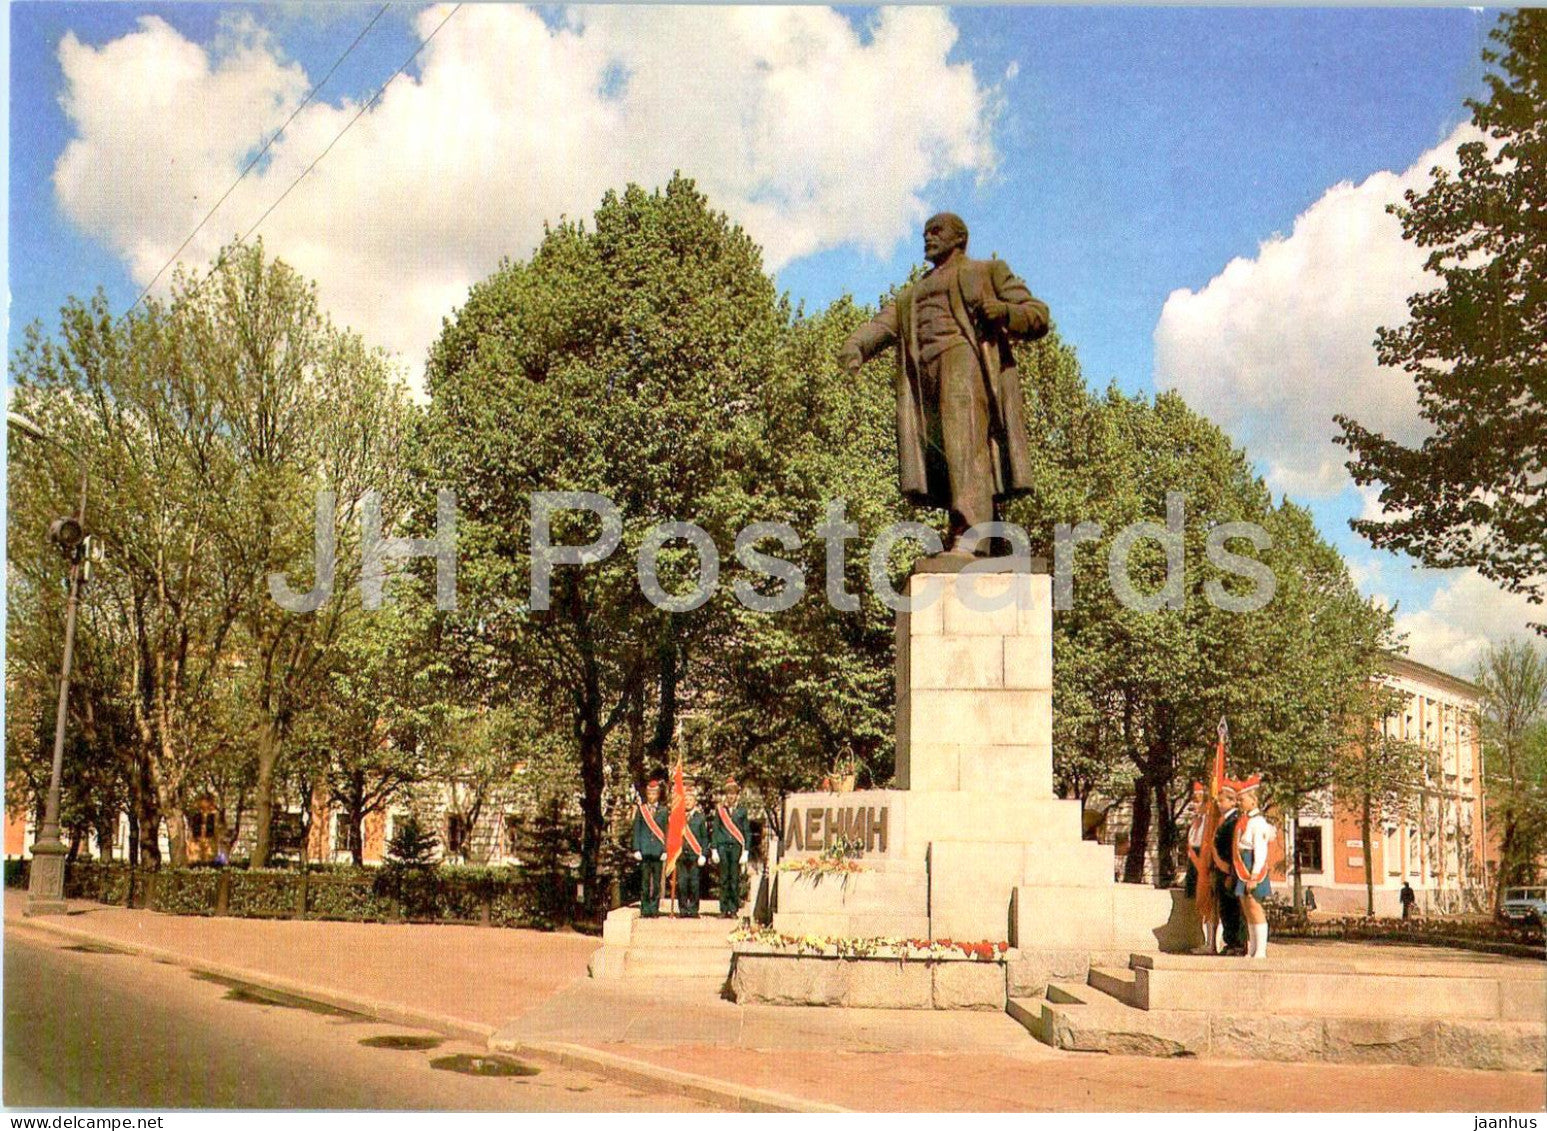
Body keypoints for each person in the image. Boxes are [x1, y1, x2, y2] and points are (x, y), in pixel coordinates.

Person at [839, 213, 1051, 555]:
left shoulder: (987, 271)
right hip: (924, 378)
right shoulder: (912, 293)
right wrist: (855, 346)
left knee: (963, 442)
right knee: (948, 456)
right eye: (925, 233)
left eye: (937, 231)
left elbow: (1038, 314)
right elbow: (883, 325)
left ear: (959, 238)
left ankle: (973, 534)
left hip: (964, 362)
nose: (928, 238)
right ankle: (988, 534)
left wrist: (1004, 312)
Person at [1232, 775, 1275, 960]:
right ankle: (1252, 948)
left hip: (1251, 866)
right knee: (1247, 909)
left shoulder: (1258, 822)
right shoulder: (1245, 820)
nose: (1239, 803)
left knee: (1255, 907)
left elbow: (1260, 851)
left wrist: (1254, 875)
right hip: (1243, 863)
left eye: (1242, 799)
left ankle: (1261, 950)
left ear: (1253, 800)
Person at [1210, 782, 1246, 954]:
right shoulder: (1223, 820)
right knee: (1225, 908)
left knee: (1233, 908)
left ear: (1232, 802)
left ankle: (1237, 943)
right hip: (1220, 869)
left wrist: (1229, 870)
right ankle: (1230, 942)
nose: (1218, 804)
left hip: (1229, 869)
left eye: (1222, 800)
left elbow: (1233, 848)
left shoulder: (1234, 821)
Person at [711, 777, 751, 919]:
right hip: (722, 847)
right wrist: (714, 849)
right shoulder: (720, 810)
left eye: (733, 793)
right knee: (723, 879)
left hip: (735, 848)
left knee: (734, 879)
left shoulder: (742, 811)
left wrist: (746, 851)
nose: (731, 796)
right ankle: (723, 909)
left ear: (737, 795)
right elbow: (715, 830)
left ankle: (733, 909)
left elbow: (746, 831)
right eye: (728, 793)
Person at [1183, 781, 1215, 952]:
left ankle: (1212, 942)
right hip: (1194, 861)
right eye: (1193, 800)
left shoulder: (1209, 821)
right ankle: (1205, 941)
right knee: (1199, 902)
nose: (1193, 805)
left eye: (1197, 801)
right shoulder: (1196, 821)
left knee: (1207, 902)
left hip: (1203, 860)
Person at [631, 780, 668, 918]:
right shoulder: (642, 810)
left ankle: (654, 908)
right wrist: (636, 848)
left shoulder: (664, 811)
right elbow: (637, 829)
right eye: (649, 793)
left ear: (658, 794)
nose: (652, 796)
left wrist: (665, 850)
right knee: (645, 881)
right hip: (645, 851)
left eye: (654, 793)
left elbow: (667, 831)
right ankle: (645, 908)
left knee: (657, 882)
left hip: (658, 851)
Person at [675, 781, 709, 918]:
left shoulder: (700, 818)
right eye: (686, 800)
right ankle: (683, 909)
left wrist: (704, 854)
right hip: (681, 855)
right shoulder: (678, 817)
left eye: (690, 800)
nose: (688, 802)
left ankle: (694, 910)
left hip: (695, 855)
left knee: (694, 884)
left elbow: (704, 838)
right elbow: (673, 836)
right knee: (682, 884)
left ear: (695, 801)